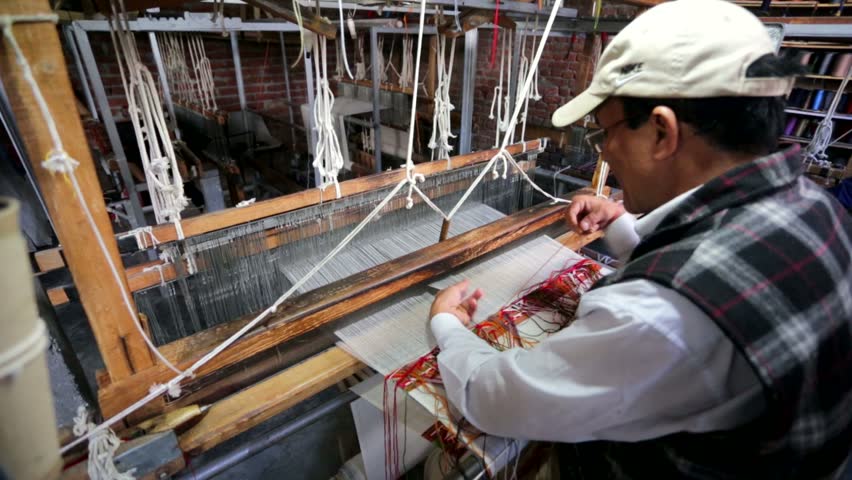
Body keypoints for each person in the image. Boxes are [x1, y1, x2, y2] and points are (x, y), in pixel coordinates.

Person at [428, 0, 852, 477]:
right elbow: (714, 264)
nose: (606, 149)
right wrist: (621, 225)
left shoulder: (657, 314)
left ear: (660, 132)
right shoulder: (816, 207)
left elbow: (495, 401)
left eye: (606, 131)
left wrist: (447, 327)